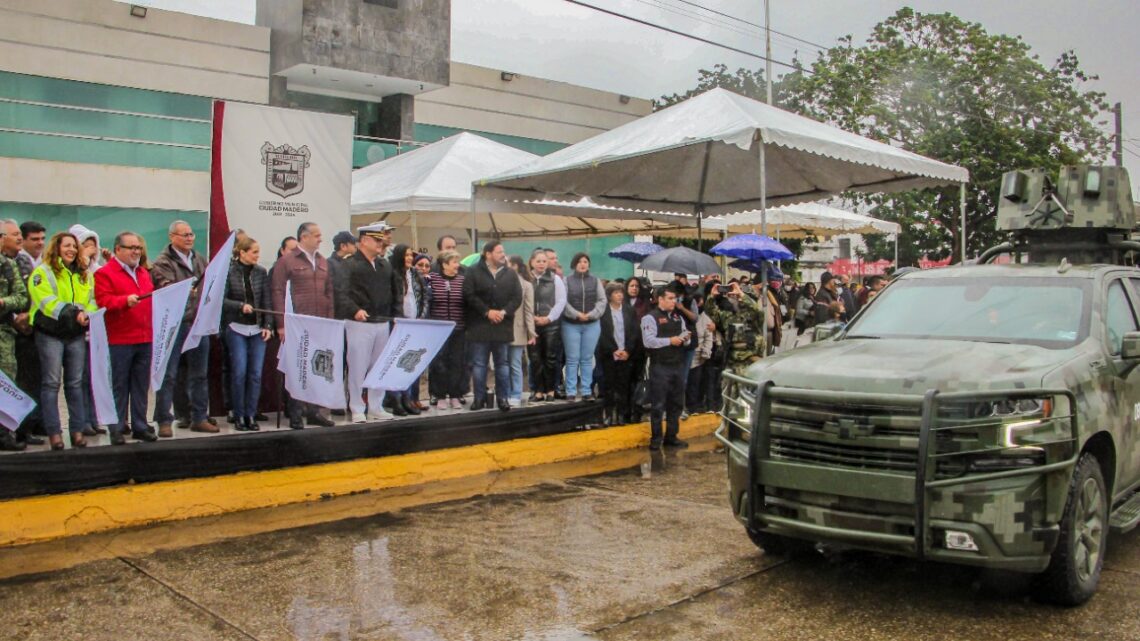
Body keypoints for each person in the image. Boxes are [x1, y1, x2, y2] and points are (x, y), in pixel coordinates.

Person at [29, 232, 97, 449]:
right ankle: (54, 434)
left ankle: (77, 431)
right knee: (51, 383)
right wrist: (73, 313)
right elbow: (46, 301)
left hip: (75, 334)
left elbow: (92, 300)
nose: (72, 250)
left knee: (75, 384)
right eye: (67, 246)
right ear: (56, 248)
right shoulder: (42, 272)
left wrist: (88, 314)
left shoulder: (84, 274)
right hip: (50, 333)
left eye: (74, 246)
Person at [333, 224, 401, 424]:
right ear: (364, 240)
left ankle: (376, 406)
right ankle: (356, 406)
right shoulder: (349, 264)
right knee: (357, 367)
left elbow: (393, 293)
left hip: (382, 322)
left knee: (379, 367)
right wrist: (354, 310)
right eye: (377, 240)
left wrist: (396, 316)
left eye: (382, 240)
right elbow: (341, 292)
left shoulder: (384, 265)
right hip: (359, 323)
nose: (381, 244)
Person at [149, 220, 212, 437]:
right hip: (175, 325)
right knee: (169, 375)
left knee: (199, 375)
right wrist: (185, 290)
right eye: (184, 234)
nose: (189, 238)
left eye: (191, 234)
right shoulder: (163, 262)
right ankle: (164, 420)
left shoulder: (200, 259)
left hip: (198, 323)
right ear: (172, 237)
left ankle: (199, 417)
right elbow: (165, 287)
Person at [272, 222, 337, 429]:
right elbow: (278, 292)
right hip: (297, 323)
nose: (320, 239)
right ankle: (296, 412)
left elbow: (329, 293)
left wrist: (330, 320)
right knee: (297, 366)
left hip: (320, 322)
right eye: (316, 235)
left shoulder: (323, 261)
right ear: (304, 237)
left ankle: (314, 411)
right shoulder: (287, 262)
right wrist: (281, 324)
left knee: (317, 366)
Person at [95, 232, 156, 445]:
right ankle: (117, 426)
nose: (136, 252)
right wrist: (123, 301)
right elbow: (103, 301)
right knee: (120, 386)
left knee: (141, 385)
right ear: (118, 249)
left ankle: (140, 425)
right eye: (131, 248)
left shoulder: (143, 273)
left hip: (144, 336)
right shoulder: (105, 273)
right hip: (119, 339)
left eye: (138, 248)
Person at [222, 236, 273, 432]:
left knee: (255, 374)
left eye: (258, 252)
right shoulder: (229, 271)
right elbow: (222, 300)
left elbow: (266, 301)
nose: (257, 256)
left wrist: (268, 324)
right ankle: (239, 414)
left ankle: (251, 414)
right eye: (254, 252)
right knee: (239, 372)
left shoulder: (261, 272)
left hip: (258, 328)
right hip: (236, 328)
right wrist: (240, 306)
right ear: (242, 253)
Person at [463, 241, 521, 412]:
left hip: (502, 326)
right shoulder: (473, 272)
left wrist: (502, 312)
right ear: (488, 254)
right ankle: (479, 399)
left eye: (503, 251)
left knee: (502, 364)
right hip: (480, 326)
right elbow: (469, 294)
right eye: (499, 252)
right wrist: (487, 312)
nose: (503, 254)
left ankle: (503, 398)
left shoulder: (510, 273)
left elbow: (517, 297)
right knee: (479, 364)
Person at [640, 286, 691, 450]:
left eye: (674, 298)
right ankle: (656, 439)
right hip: (660, 366)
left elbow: (685, 335)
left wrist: (685, 338)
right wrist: (670, 341)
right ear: (660, 299)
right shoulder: (650, 318)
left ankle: (672, 436)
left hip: (678, 364)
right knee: (658, 404)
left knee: (676, 403)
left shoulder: (678, 317)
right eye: (669, 298)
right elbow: (649, 341)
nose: (673, 301)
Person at [389, 243, 427, 416]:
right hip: (398, 324)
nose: (409, 259)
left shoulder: (415, 274)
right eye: (406, 255)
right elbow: (391, 300)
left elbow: (425, 297)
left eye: (411, 255)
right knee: (398, 363)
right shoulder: (393, 274)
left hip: (415, 324)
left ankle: (408, 398)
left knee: (410, 363)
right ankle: (396, 400)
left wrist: (421, 316)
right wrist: (398, 318)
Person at [0, 222, 28, 451]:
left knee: (6, 383)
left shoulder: (8, 266)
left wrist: (3, 302)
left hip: (3, 335)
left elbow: (21, 297)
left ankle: (4, 434)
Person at [561, 252, 604, 401]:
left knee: (586, 359)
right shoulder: (566, 280)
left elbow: (602, 301)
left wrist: (591, 314)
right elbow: (563, 302)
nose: (583, 264)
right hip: (571, 324)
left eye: (585, 261)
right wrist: (576, 314)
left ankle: (586, 391)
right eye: (579, 261)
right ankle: (571, 391)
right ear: (574, 264)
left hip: (592, 324)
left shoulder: (595, 281)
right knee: (572, 359)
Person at [427, 250, 466, 410]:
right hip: (439, 330)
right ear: (444, 264)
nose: (457, 265)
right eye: (454, 262)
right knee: (439, 363)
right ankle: (440, 395)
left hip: (458, 329)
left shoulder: (462, 281)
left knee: (456, 363)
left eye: (458, 262)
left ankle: (455, 395)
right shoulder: (433, 279)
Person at [597, 282, 639, 425]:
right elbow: (602, 334)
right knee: (608, 386)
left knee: (624, 386)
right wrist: (613, 350)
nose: (620, 295)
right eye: (616, 293)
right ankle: (608, 414)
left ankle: (622, 415)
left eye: (621, 292)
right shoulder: (603, 312)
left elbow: (634, 332)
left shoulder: (629, 310)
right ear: (609, 296)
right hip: (609, 354)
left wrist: (627, 350)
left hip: (626, 354)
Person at [527, 248, 565, 402]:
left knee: (550, 357)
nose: (541, 264)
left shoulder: (555, 279)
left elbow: (561, 301)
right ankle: (538, 390)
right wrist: (532, 318)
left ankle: (550, 390)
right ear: (531, 262)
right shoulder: (527, 279)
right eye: (538, 261)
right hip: (531, 324)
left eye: (544, 261)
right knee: (535, 358)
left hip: (551, 324)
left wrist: (548, 318)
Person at [706, 281, 767, 375]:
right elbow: (710, 312)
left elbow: (757, 310)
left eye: (736, 296)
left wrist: (741, 294)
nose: (733, 298)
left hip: (750, 363)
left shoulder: (753, 315)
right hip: (732, 362)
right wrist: (712, 296)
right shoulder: (727, 316)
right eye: (731, 296)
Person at [507, 255, 535, 407]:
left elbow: (528, 310)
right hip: (501, 328)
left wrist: (531, 331)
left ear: (516, 266)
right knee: (502, 364)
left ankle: (516, 394)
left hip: (518, 329)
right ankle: (503, 393)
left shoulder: (526, 285)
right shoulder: (499, 281)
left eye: (509, 264)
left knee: (515, 364)